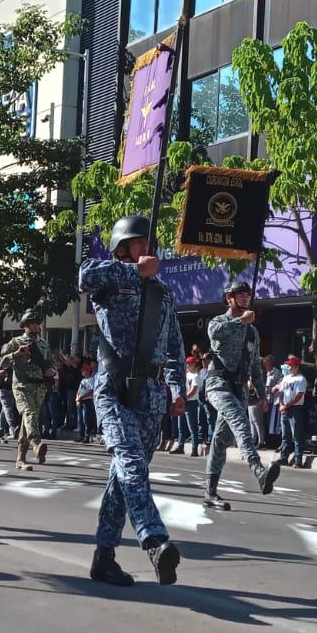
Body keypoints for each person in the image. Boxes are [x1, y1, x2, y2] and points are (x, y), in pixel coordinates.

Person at [81, 215, 185, 587]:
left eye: (148, 243)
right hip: (114, 386)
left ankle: (103, 557)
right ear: (123, 248)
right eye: (138, 243)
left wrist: (178, 388)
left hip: (151, 394)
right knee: (130, 464)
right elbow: (85, 277)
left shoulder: (162, 293)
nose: (146, 249)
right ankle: (154, 540)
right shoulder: (111, 279)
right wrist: (131, 272)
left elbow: (174, 345)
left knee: (121, 481)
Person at [202, 280, 281, 510]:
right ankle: (259, 471)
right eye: (240, 294)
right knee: (240, 421)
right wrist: (240, 321)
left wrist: (262, 394)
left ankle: (210, 492)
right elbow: (214, 334)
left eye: (247, 294)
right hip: (218, 384)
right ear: (229, 298)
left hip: (240, 388)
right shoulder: (220, 321)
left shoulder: (253, 332)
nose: (245, 297)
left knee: (220, 441)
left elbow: (255, 367)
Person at [0, 310, 54, 470]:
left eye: (38, 323)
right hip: (22, 386)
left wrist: (52, 371)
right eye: (34, 323)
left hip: (39, 387)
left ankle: (21, 459)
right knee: (29, 414)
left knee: (27, 421)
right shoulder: (16, 342)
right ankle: (36, 443)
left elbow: (52, 362)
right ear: (26, 325)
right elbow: (1, 363)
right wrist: (15, 354)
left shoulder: (43, 344)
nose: (38, 326)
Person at [277, 355, 310, 469]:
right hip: (285, 408)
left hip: (295, 408)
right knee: (285, 434)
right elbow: (281, 392)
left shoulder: (301, 379)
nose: (288, 367)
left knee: (296, 435)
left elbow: (299, 395)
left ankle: (298, 459)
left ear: (296, 366)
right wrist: (282, 405)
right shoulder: (286, 378)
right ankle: (284, 457)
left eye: (290, 365)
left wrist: (286, 405)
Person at [174, 355, 204, 456]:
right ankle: (180, 446)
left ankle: (194, 448)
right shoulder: (185, 375)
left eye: (190, 364)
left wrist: (184, 398)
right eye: (187, 364)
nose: (187, 365)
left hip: (191, 402)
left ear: (194, 365)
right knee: (180, 426)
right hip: (183, 401)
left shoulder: (196, 376)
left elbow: (193, 390)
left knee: (192, 426)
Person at [75, 356, 97, 444]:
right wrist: (77, 398)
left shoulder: (91, 380)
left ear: (87, 371)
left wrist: (81, 397)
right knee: (80, 419)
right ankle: (81, 435)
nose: (82, 372)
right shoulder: (83, 380)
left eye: (83, 370)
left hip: (86, 401)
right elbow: (79, 390)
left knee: (86, 419)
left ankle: (86, 436)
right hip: (80, 400)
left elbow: (91, 391)